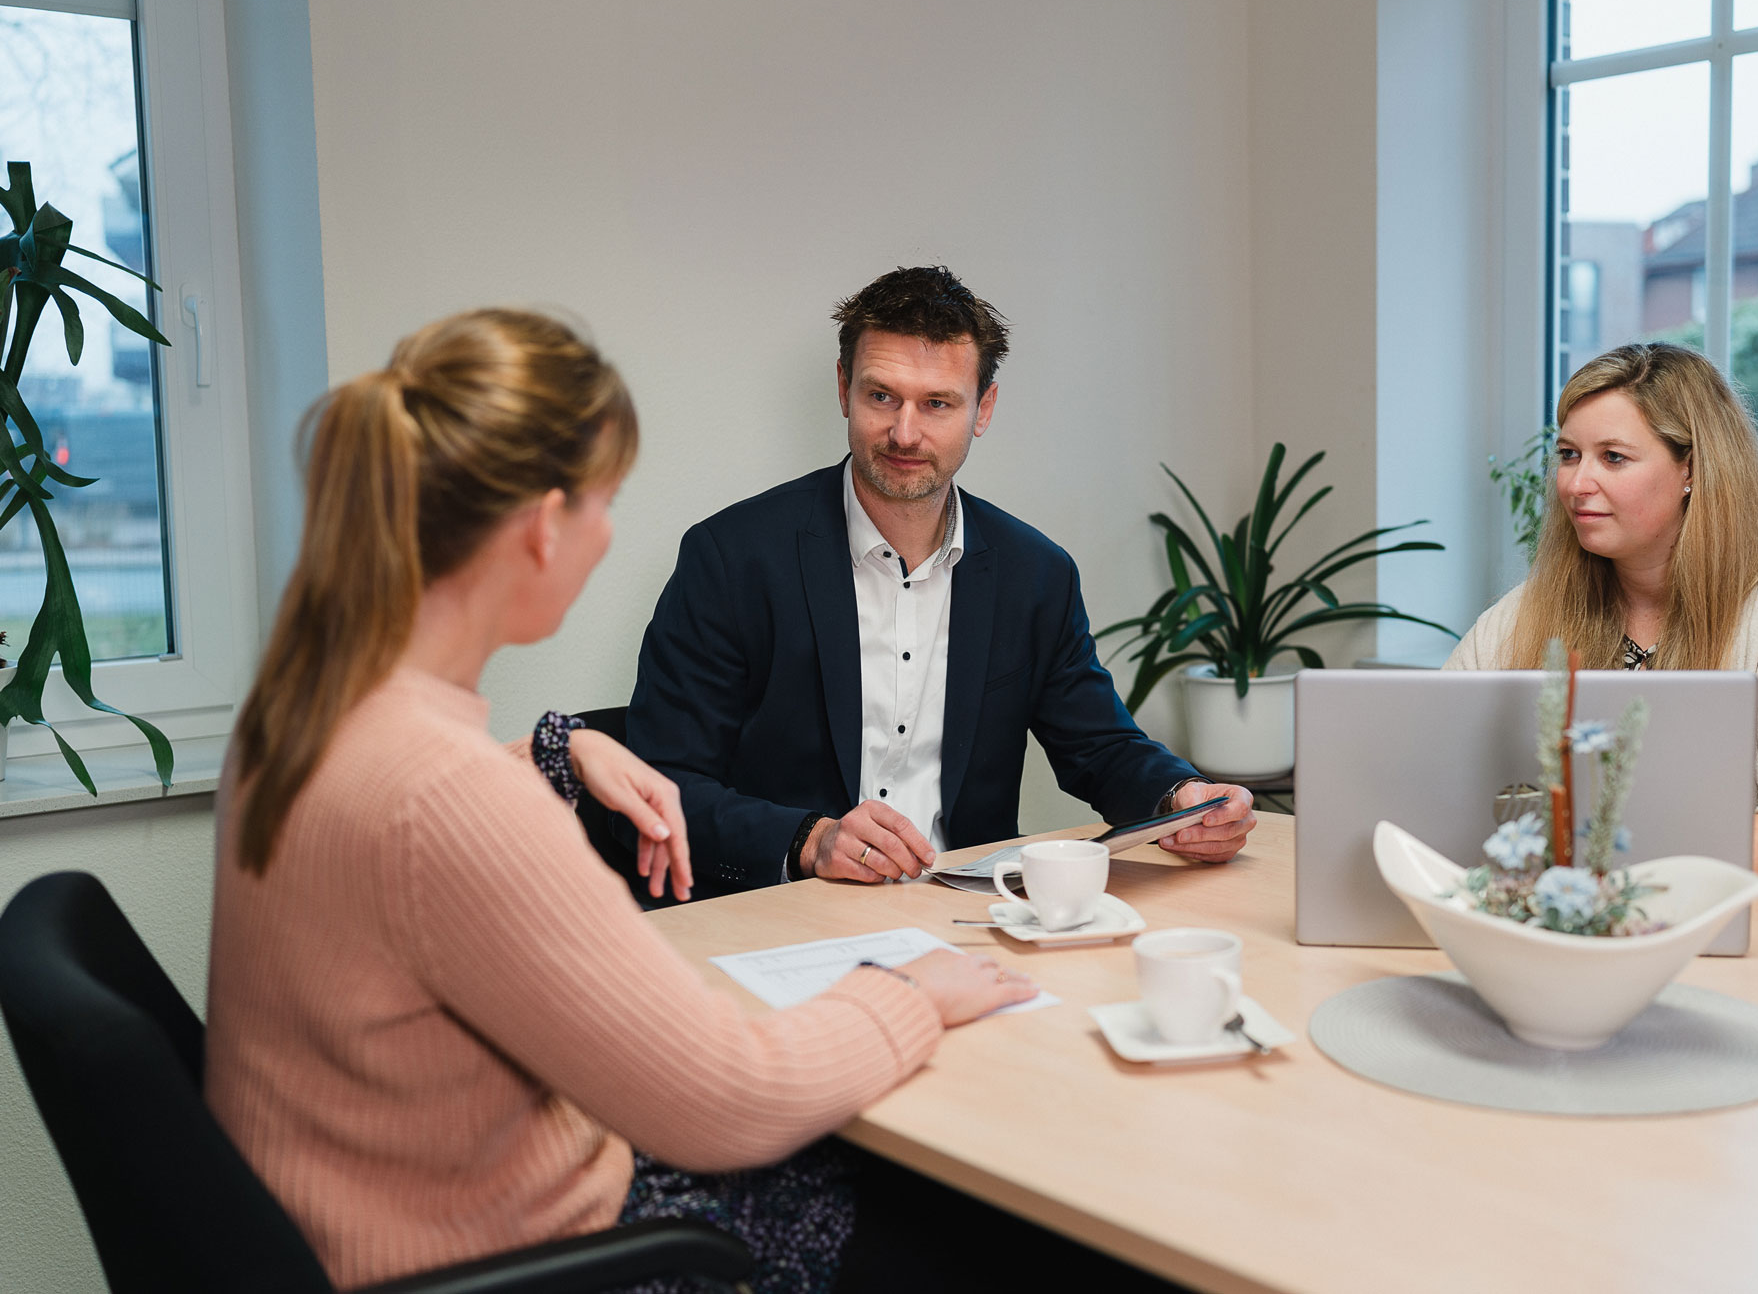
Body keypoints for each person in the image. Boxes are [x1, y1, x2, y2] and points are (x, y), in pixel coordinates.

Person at [204, 309, 1041, 1293]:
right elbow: (731, 1100)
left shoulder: (300, 716)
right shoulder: (448, 804)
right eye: (604, 503)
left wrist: (565, 748)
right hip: (533, 1258)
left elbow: (415, 828)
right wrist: (911, 992)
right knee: (989, 1238)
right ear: (540, 528)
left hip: (377, 1221)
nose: (608, 535)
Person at [626, 266, 1255, 897]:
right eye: (881, 397)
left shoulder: (1035, 574)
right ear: (844, 388)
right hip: (784, 914)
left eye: (936, 403)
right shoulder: (731, 558)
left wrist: (1182, 796)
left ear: (983, 408)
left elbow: (1099, 745)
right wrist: (809, 840)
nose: (904, 432)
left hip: (971, 916)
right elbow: (661, 779)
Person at [1445, 341, 1758, 898]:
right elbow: (1433, 784)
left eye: (1613, 457)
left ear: (1691, 470)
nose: (1577, 485)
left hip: (1732, 954)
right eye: (1568, 455)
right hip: (1556, 942)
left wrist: (1596, 847)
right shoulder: (1522, 617)